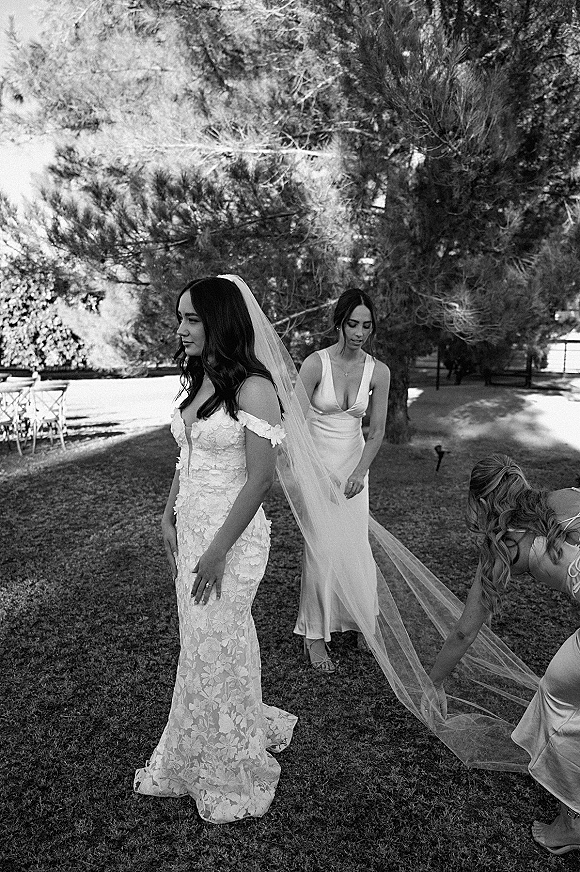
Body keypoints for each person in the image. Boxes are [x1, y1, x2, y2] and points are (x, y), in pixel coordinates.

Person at [133, 276, 297, 825]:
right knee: (202, 643)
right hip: (191, 529)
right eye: (179, 318)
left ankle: (229, 762)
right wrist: (168, 510)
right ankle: (203, 737)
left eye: (191, 319)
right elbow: (190, 457)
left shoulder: (254, 388)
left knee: (215, 639)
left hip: (234, 540)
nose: (180, 329)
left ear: (220, 321)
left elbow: (259, 481)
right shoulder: (201, 378)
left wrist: (218, 551)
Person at [423, 454, 580, 855]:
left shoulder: (503, 546)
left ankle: (572, 823)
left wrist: (433, 682)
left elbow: (463, 630)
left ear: (481, 500)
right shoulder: (564, 497)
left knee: (557, 697)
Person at [294, 289, 390, 671]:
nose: (359, 332)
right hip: (317, 466)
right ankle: (315, 635)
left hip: (354, 466)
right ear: (339, 323)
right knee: (321, 549)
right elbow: (294, 424)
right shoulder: (315, 364)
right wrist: (317, 474)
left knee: (355, 548)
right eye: (353, 324)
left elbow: (378, 430)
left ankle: (360, 622)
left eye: (366, 325)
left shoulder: (378, 371)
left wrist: (358, 473)